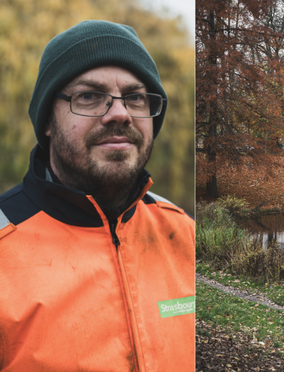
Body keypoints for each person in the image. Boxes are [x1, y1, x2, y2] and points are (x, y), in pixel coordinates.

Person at [0, 20, 194, 370]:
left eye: (135, 97)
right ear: (47, 120)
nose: (119, 113)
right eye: (89, 96)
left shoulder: (183, 233)